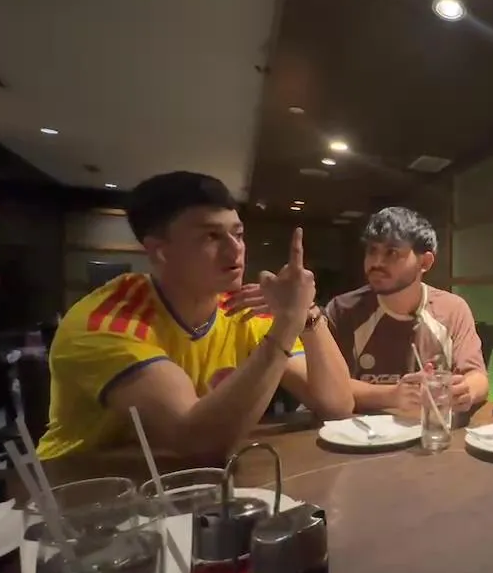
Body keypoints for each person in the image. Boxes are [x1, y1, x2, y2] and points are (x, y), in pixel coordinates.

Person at [39, 172, 354, 461]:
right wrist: (286, 324)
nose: (235, 250)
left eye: (238, 234)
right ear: (161, 251)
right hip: (76, 485)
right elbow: (200, 443)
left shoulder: (241, 308)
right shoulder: (106, 323)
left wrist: (307, 313)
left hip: (179, 481)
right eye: (211, 237)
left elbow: (336, 405)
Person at [325, 207, 488, 414]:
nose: (376, 262)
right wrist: (391, 395)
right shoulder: (343, 310)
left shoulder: (452, 309)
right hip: (358, 429)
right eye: (372, 251)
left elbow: (477, 377)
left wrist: (465, 392)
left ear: (425, 262)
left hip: (428, 428)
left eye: (391, 253)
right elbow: (326, 386)